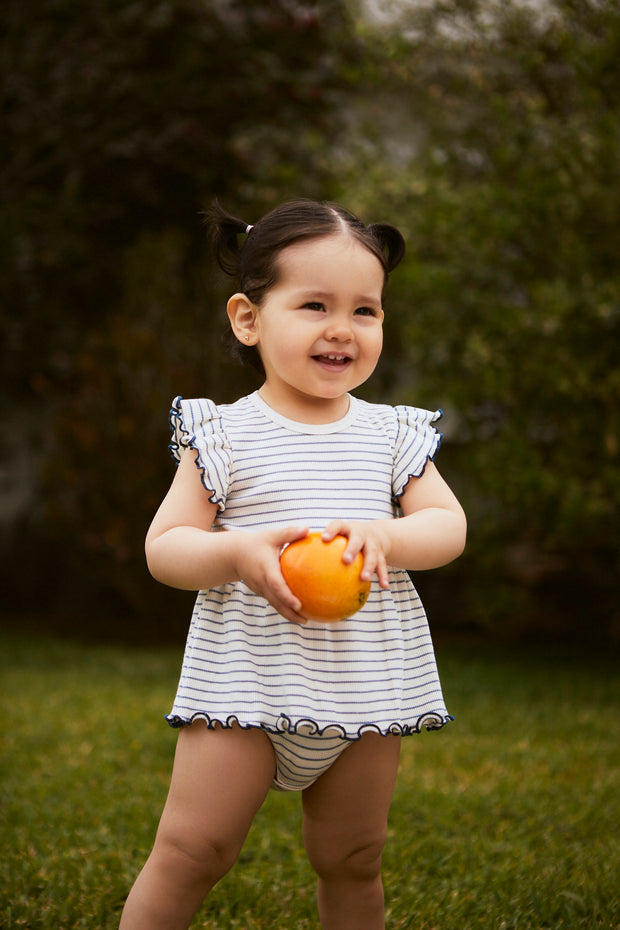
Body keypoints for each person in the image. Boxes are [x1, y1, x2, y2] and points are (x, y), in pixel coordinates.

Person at [119, 199, 467, 930]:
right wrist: (236, 553)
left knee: (354, 857)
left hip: (365, 687)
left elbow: (447, 527)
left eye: (365, 310)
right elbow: (166, 547)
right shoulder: (223, 432)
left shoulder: (392, 434)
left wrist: (387, 537)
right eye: (315, 305)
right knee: (193, 849)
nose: (342, 328)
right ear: (248, 319)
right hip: (246, 680)